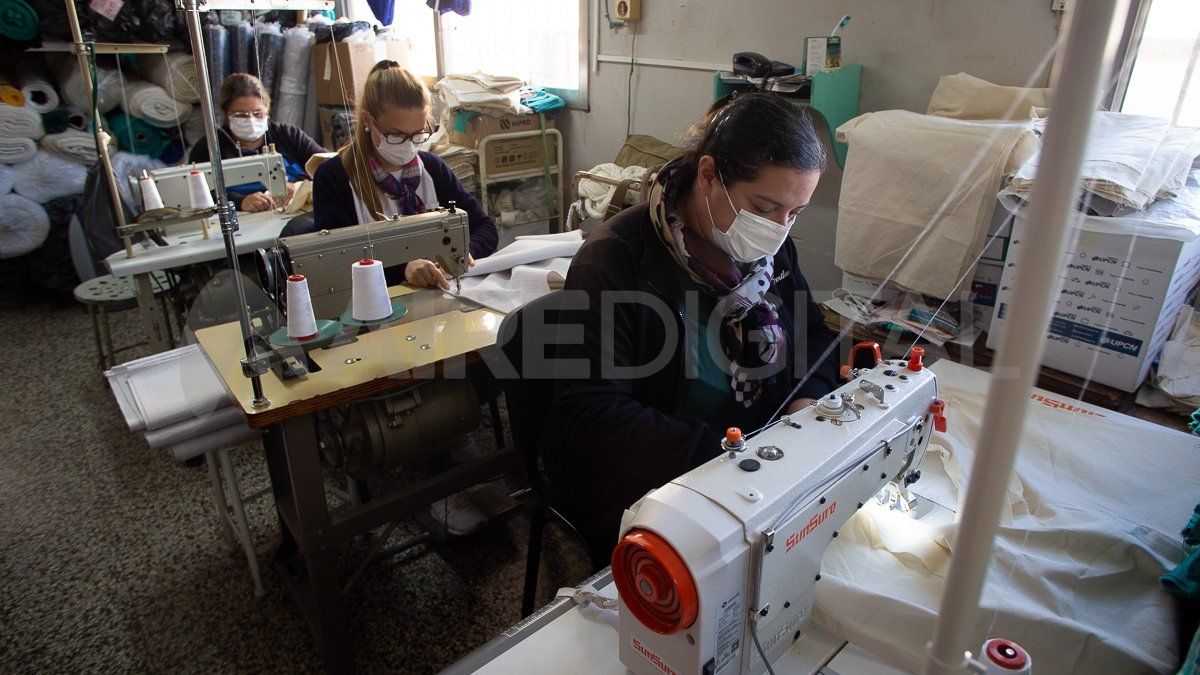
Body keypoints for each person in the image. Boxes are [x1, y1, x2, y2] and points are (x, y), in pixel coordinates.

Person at [542, 92, 842, 565]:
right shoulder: (616, 262)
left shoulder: (770, 252)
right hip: (663, 483)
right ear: (708, 175)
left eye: (795, 213)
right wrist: (733, 454)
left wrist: (806, 402)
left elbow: (815, 336)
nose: (779, 228)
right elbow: (593, 414)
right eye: (763, 208)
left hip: (761, 462)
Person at [312, 60, 497, 289]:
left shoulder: (432, 169)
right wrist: (403, 269)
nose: (409, 145)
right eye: (396, 136)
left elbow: (485, 228)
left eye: (418, 134)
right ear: (368, 121)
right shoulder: (335, 178)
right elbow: (333, 260)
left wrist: (464, 251)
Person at [188, 73, 326, 213]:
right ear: (226, 114)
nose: (251, 120)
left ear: (267, 110)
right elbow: (196, 193)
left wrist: (298, 185)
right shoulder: (208, 148)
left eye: (257, 113)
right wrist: (239, 201)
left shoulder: (288, 135)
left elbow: (325, 162)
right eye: (241, 115)